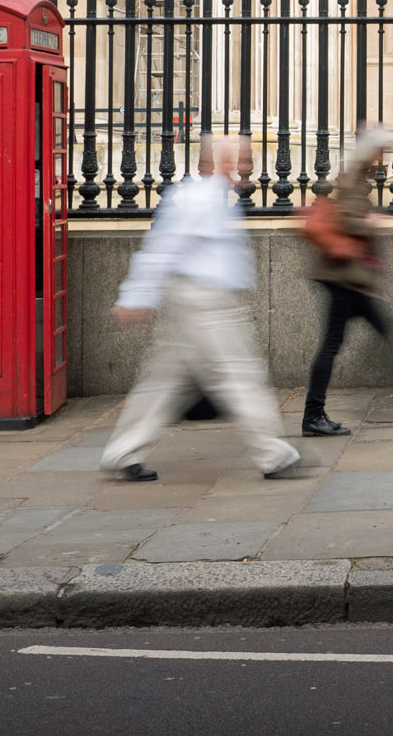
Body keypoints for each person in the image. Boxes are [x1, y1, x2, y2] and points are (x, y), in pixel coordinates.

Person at [99, 135, 302, 482]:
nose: (244, 168)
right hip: (205, 301)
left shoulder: (212, 198)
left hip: (199, 300)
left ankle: (122, 451)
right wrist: (136, 297)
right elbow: (162, 247)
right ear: (214, 163)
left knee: (163, 381)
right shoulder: (195, 199)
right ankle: (274, 454)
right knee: (239, 376)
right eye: (237, 160)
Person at [299, 122, 393, 437]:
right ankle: (313, 415)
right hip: (343, 277)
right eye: (381, 149)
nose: (384, 157)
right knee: (332, 345)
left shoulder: (356, 174)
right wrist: (371, 222)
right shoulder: (355, 176)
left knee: (383, 329)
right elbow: (344, 218)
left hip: (350, 277)